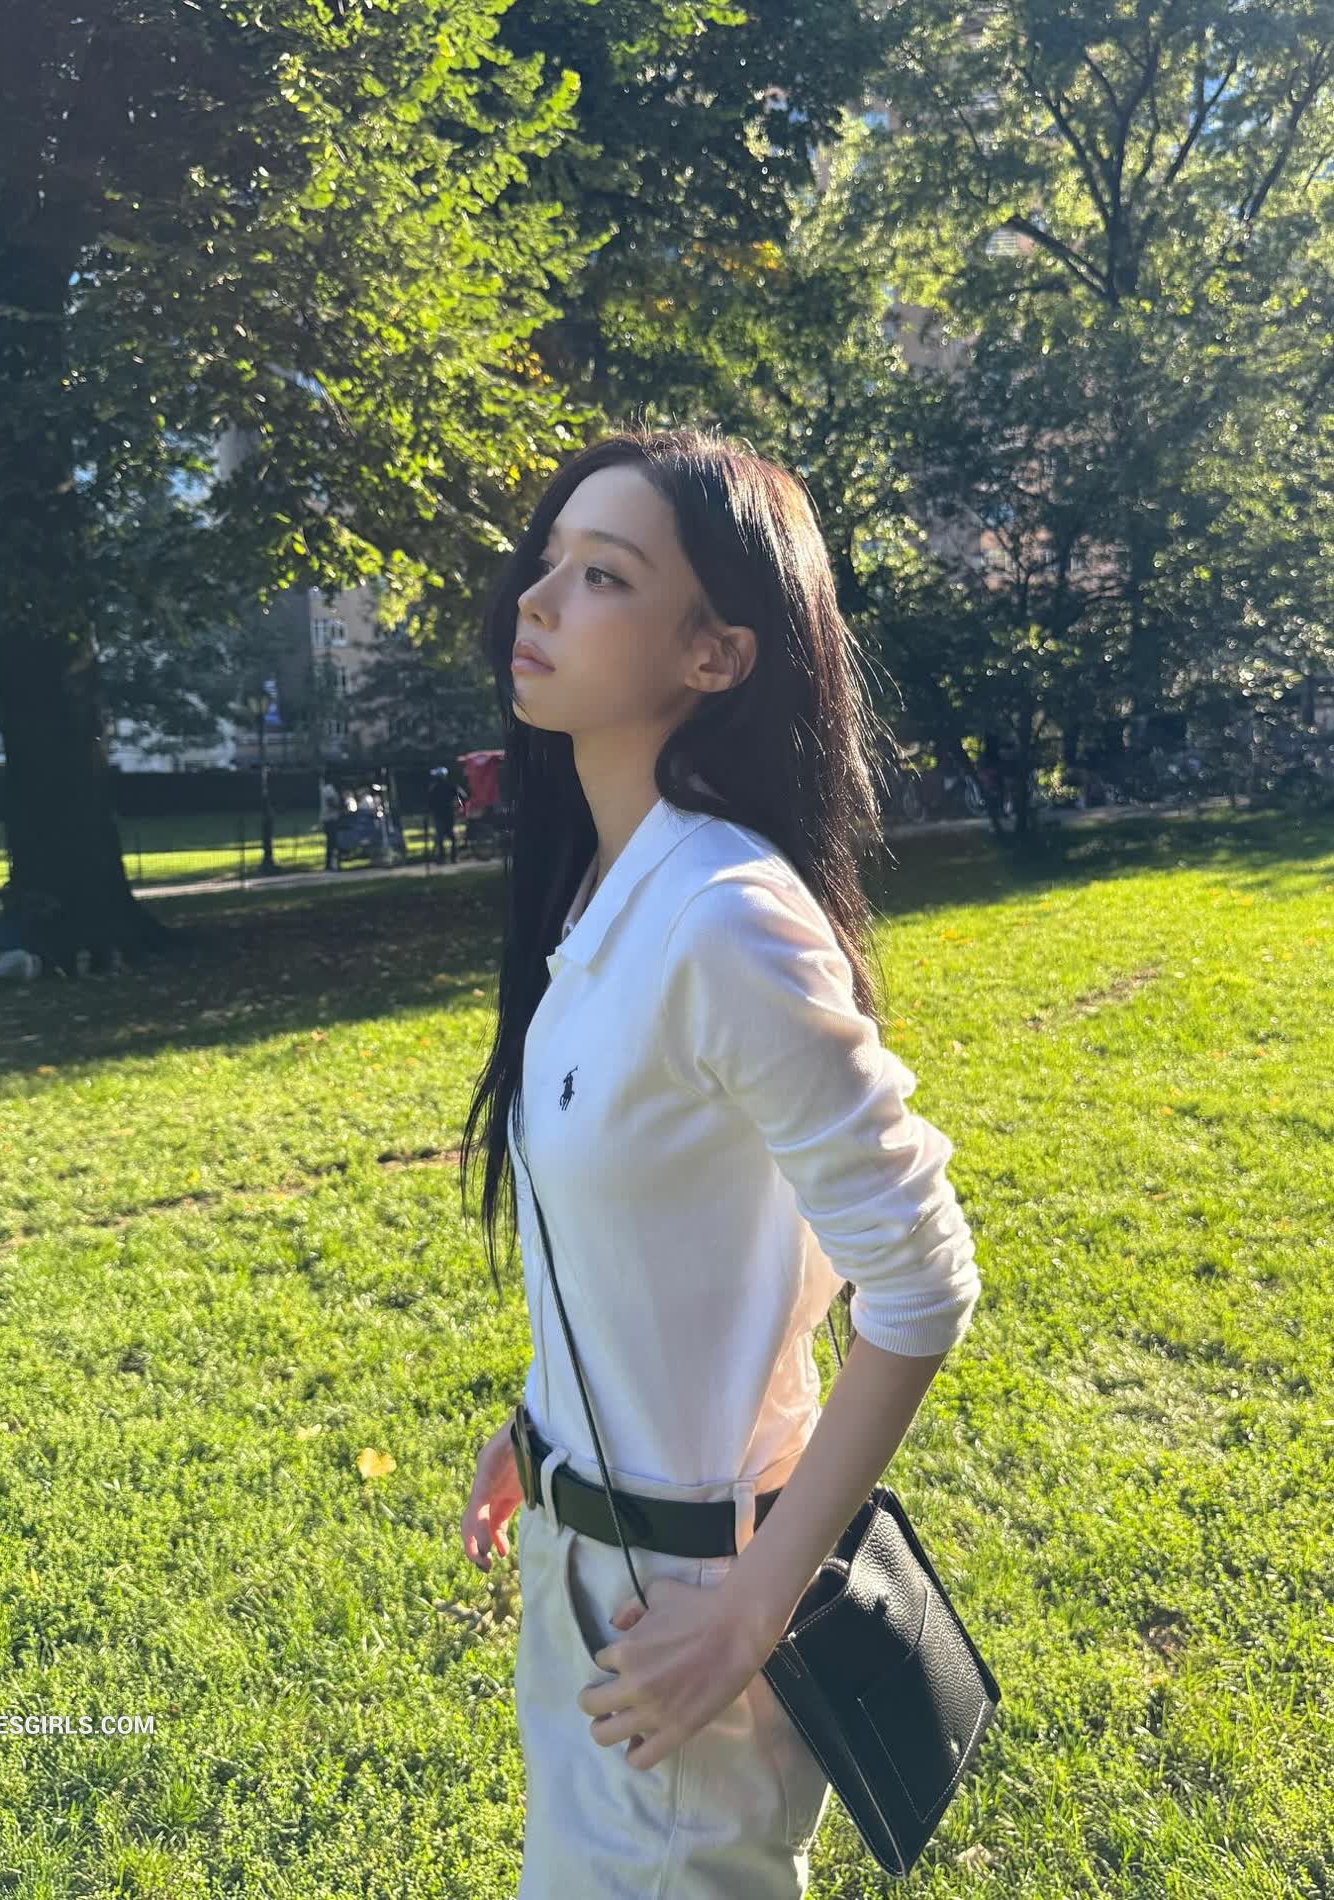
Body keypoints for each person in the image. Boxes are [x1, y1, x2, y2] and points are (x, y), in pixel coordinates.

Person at [456, 428, 984, 1897]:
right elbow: (659, 1227)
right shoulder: (610, 891)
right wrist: (553, 1425)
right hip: (594, 1571)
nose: (537, 599)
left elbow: (923, 1280)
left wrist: (750, 1609)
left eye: (604, 575)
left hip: (688, 1607)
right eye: (550, 560)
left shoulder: (725, 917)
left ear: (717, 654)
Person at [427, 765, 460, 864]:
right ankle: (454, 857)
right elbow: (462, 796)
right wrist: (457, 806)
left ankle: (442, 858)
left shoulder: (433, 788)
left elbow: (430, 803)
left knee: (440, 836)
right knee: (451, 836)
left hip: (439, 815)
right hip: (449, 814)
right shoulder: (451, 787)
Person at [319, 776, 343, 871]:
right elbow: (331, 803)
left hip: (331, 818)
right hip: (330, 819)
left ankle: (332, 863)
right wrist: (340, 807)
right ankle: (331, 863)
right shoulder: (329, 789)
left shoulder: (330, 789)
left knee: (332, 842)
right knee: (332, 842)